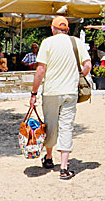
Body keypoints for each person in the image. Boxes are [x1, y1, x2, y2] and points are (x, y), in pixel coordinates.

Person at [30, 16, 92, 180]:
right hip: (70, 91)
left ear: (53, 28)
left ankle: (49, 158)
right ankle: (64, 168)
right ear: (67, 29)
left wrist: (34, 93)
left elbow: (41, 70)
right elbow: (87, 65)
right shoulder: (76, 42)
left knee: (50, 125)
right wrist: (77, 77)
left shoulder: (47, 43)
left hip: (51, 91)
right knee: (66, 126)